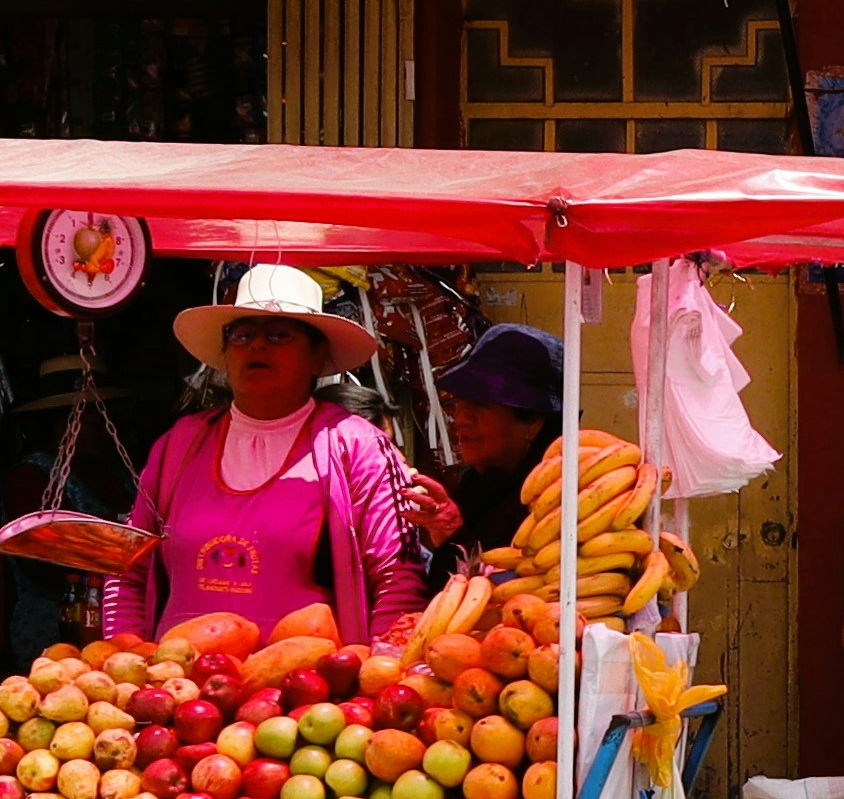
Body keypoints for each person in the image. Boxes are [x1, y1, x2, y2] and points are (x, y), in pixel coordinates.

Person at [101, 265, 432, 655]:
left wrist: (383, 666)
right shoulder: (179, 444)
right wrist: (125, 655)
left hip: (310, 699)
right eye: (242, 335)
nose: (257, 346)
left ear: (317, 355)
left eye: (279, 334)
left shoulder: (360, 448)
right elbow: (128, 567)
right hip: (179, 690)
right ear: (224, 355)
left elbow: (397, 576)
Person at [427, 322, 564, 565]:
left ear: (532, 422)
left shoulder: (557, 503)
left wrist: (451, 534)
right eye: (458, 402)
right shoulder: (477, 484)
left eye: (479, 404)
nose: (460, 419)